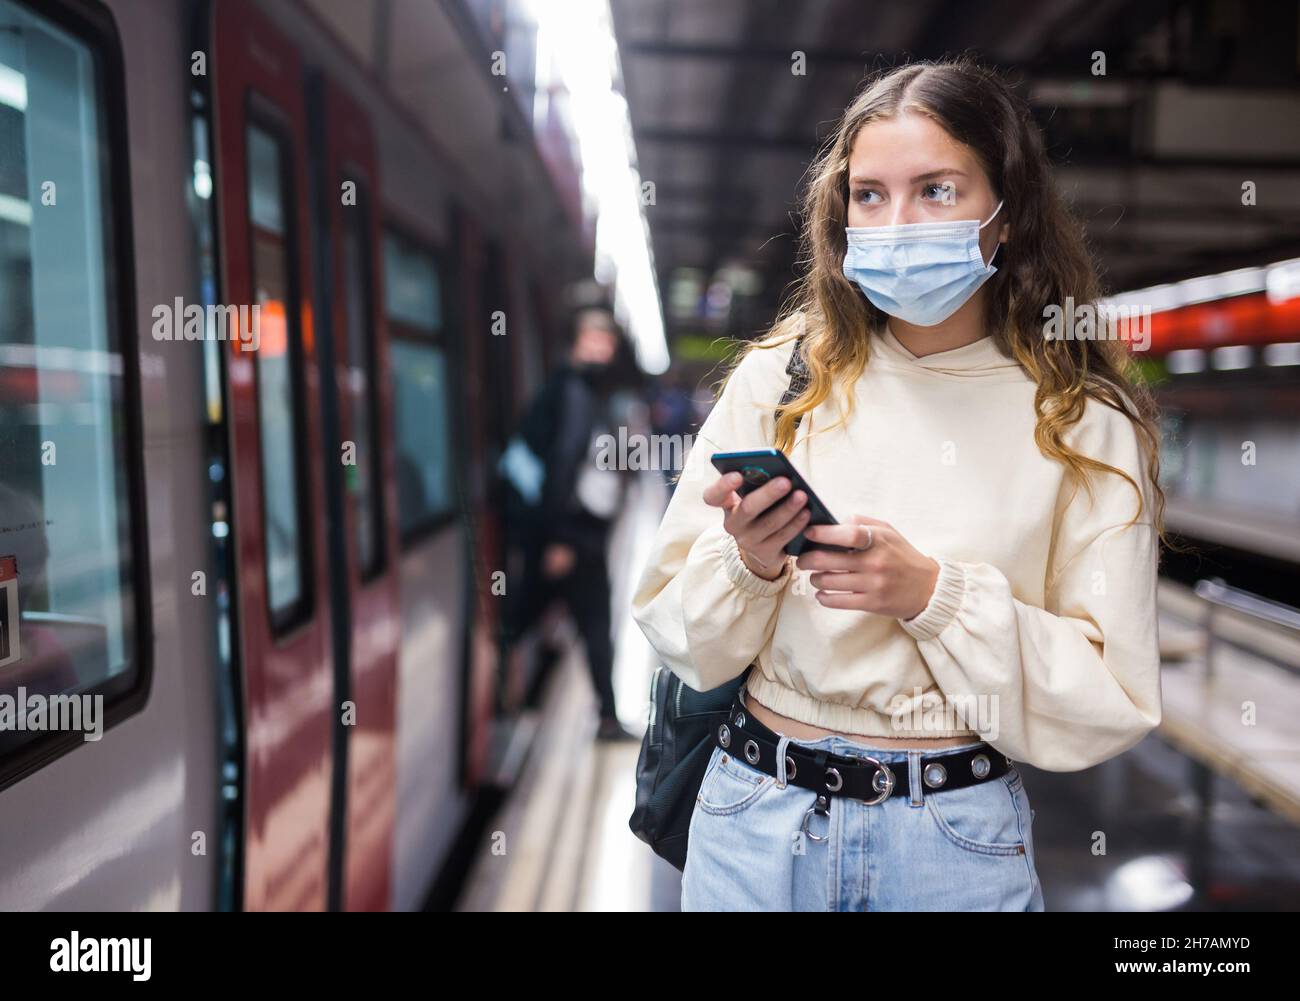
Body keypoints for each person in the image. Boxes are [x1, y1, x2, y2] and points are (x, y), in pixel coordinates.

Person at [630, 57, 1169, 911]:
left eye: (937, 190)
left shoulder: (1081, 419)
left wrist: (934, 595)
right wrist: (750, 565)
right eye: (870, 196)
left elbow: (1112, 698)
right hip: (752, 816)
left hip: (952, 839)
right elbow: (673, 630)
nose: (897, 222)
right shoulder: (784, 376)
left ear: (1004, 214)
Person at [502, 306, 636, 741]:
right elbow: (562, 465)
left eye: (607, 342)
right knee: (590, 624)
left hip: (568, 534)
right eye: (593, 340)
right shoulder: (575, 393)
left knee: (534, 616)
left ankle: (504, 695)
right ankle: (605, 717)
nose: (602, 348)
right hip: (570, 536)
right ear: (575, 343)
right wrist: (559, 539)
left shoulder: (577, 389)